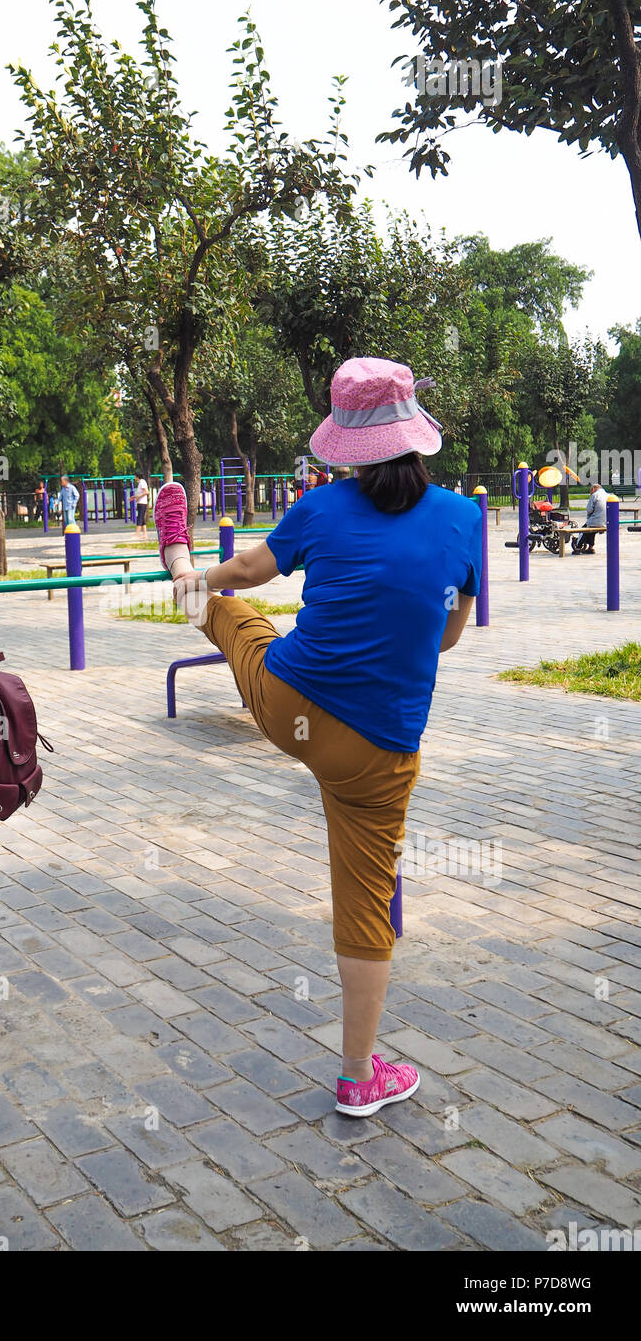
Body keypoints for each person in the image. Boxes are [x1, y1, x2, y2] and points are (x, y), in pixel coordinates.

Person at [154, 357, 482, 1117]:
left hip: (285, 701)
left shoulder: (320, 509)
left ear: (345, 446)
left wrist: (205, 571)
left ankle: (172, 559)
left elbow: (244, 571)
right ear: (415, 439)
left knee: (224, 609)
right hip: (377, 751)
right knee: (364, 900)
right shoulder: (463, 520)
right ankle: (357, 1076)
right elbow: (447, 639)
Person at [572, 482, 608, 554]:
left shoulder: (595, 495)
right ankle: (590, 548)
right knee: (592, 531)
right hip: (607, 522)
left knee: (583, 529)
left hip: (597, 521)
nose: (590, 493)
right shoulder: (608, 495)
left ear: (593, 489)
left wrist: (589, 517)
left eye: (590, 491)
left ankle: (578, 548)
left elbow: (589, 509)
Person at [133, 474, 150, 539]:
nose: (134, 477)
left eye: (135, 476)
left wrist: (138, 497)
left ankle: (136, 535)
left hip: (142, 503)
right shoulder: (140, 483)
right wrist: (134, 497)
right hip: (140, 502)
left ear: (137, 476)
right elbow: (140, 493)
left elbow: (146, 492)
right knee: (142, 519)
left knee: (139, 518)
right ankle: (145, 534)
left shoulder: (142, 482)